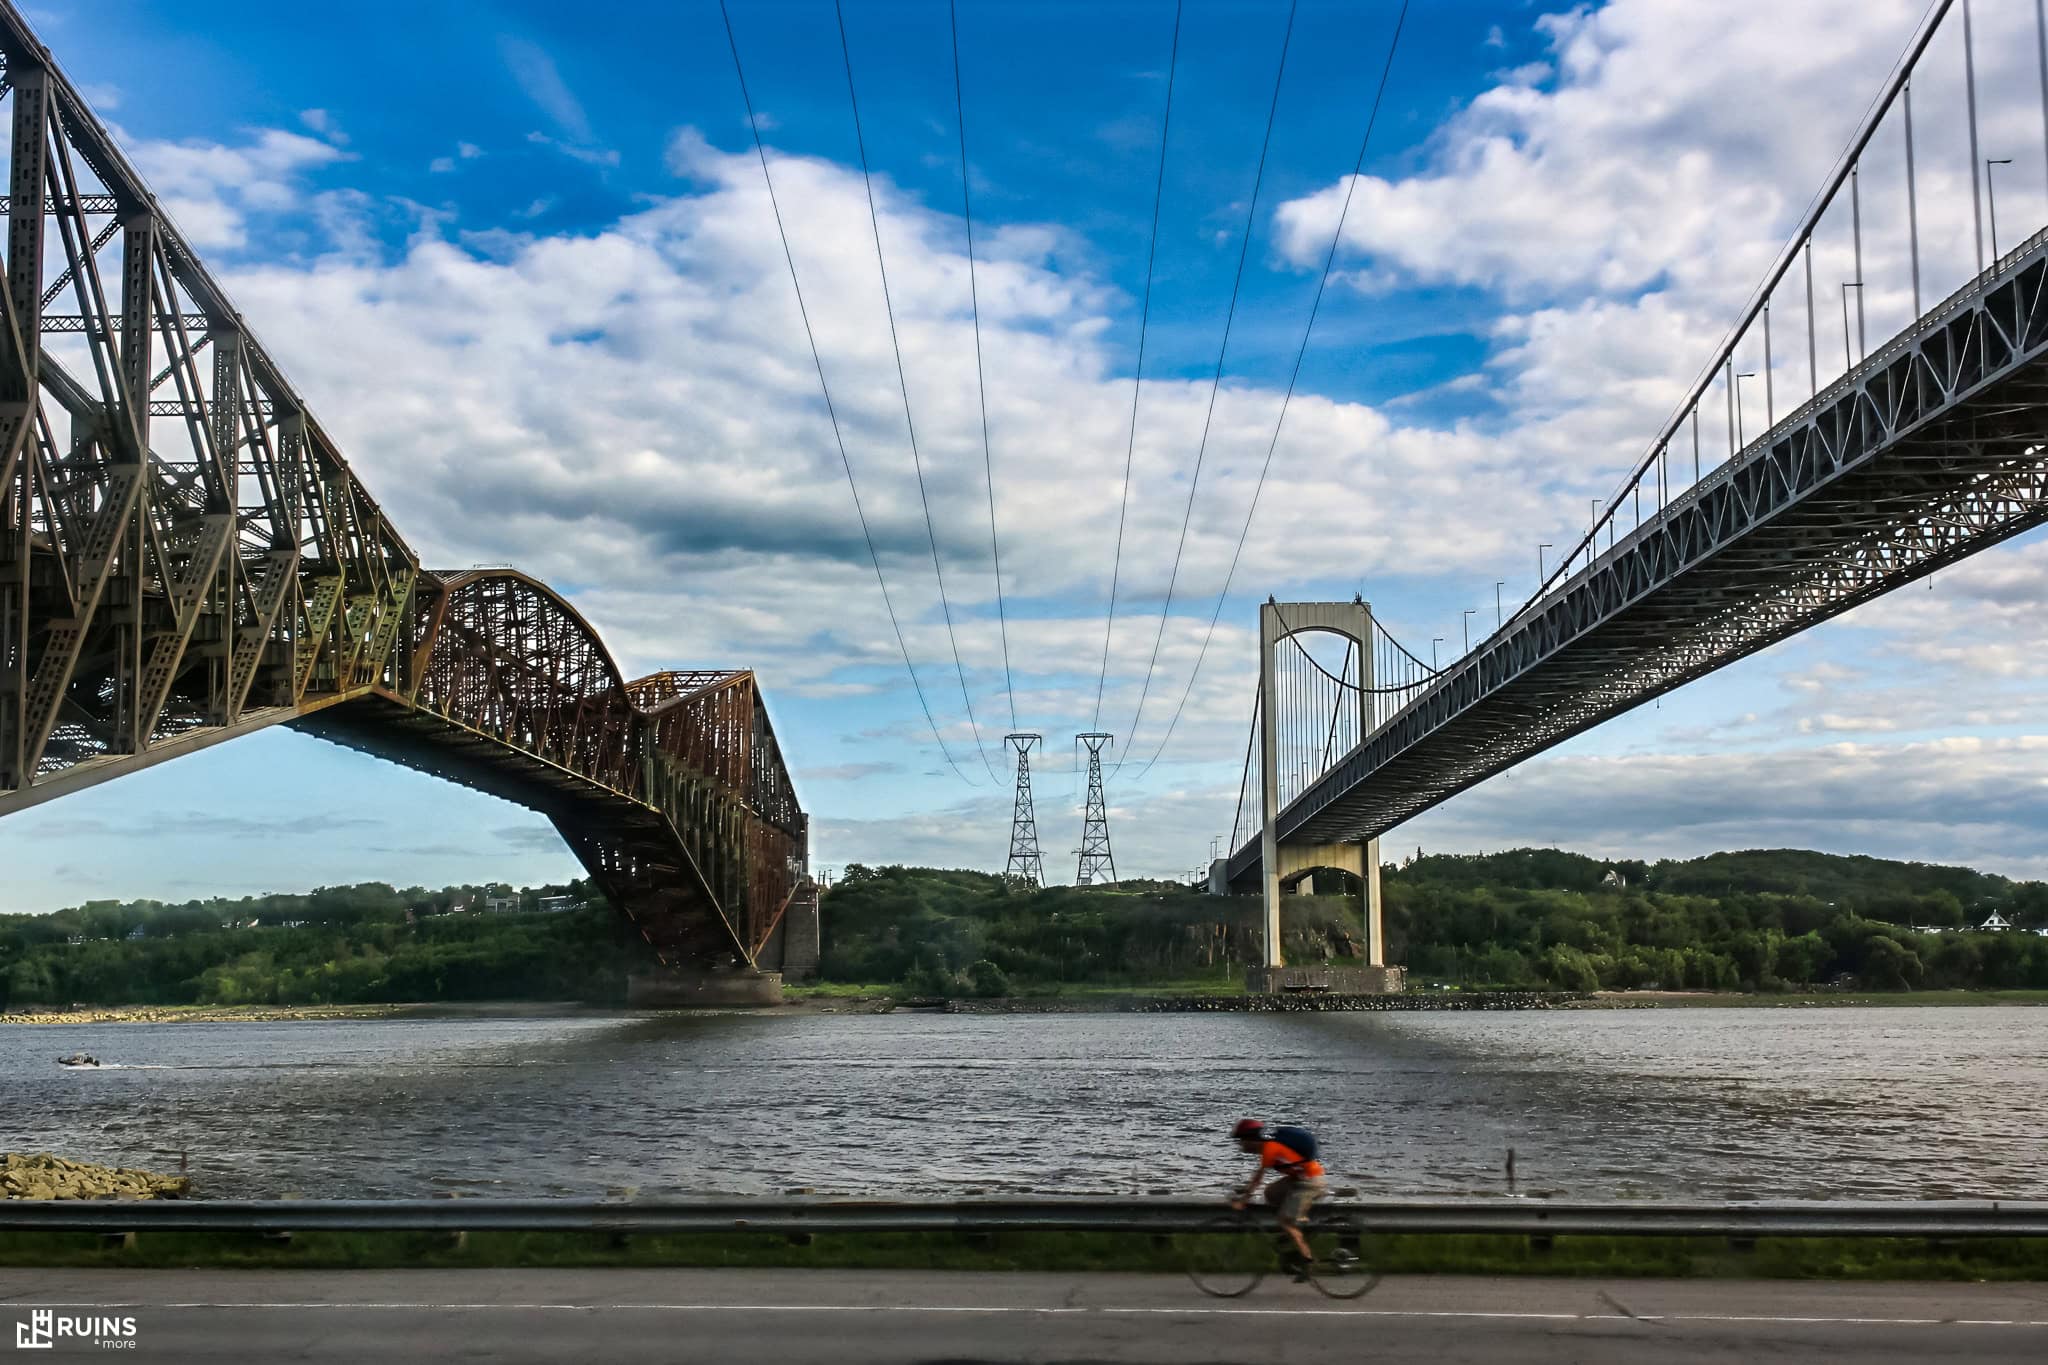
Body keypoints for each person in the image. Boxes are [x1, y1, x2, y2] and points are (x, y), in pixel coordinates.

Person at [1227, 1118, 1325, 1267]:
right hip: (1297, 1180)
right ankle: (1294, 1225)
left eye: (1241, 1140)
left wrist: (1244, 1200)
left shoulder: (1270, 1149)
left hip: (1309, 1182)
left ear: (1251, 1139)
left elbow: (1257, 1179)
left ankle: (1307, 1259)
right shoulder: (1269, 1148)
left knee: (1285, 1220)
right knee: (1270, 1192)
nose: (1240, 1144)